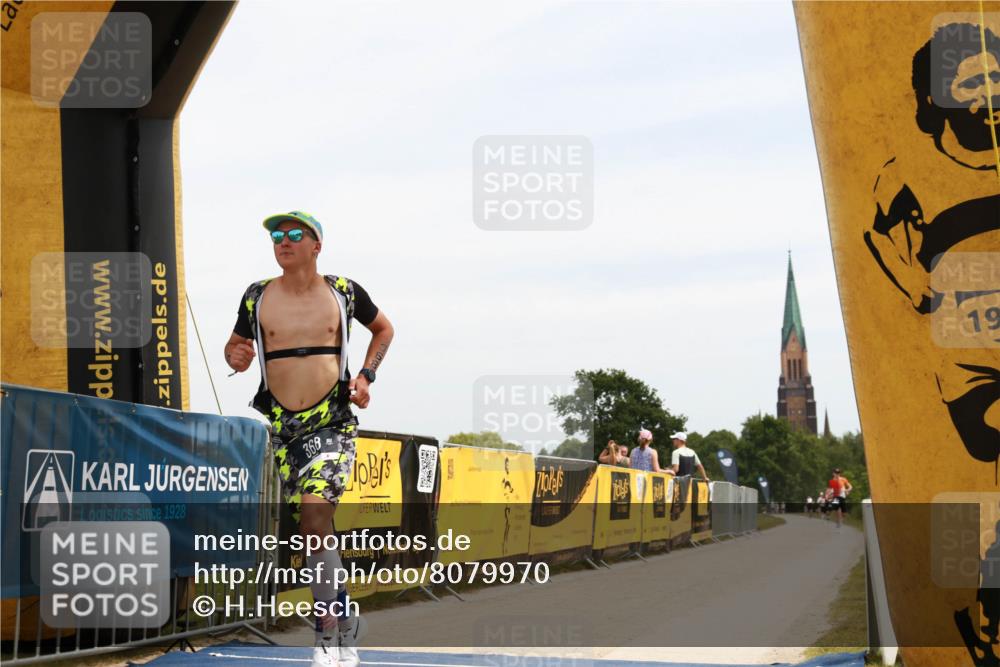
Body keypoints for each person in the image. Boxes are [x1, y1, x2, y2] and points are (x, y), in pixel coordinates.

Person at [225, 211, 394, 667]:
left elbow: (384, 329)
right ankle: (341, 621)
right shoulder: (256, 295)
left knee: (316, 517)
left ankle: (325, 635)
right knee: (313, 534)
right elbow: (235, 347)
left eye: (294, 234)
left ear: (316, 245)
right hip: (284, 427)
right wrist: (236, 355)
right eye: (277, 235)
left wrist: (366, 375)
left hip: (332, 420)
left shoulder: (344, 292)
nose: (283, 241)